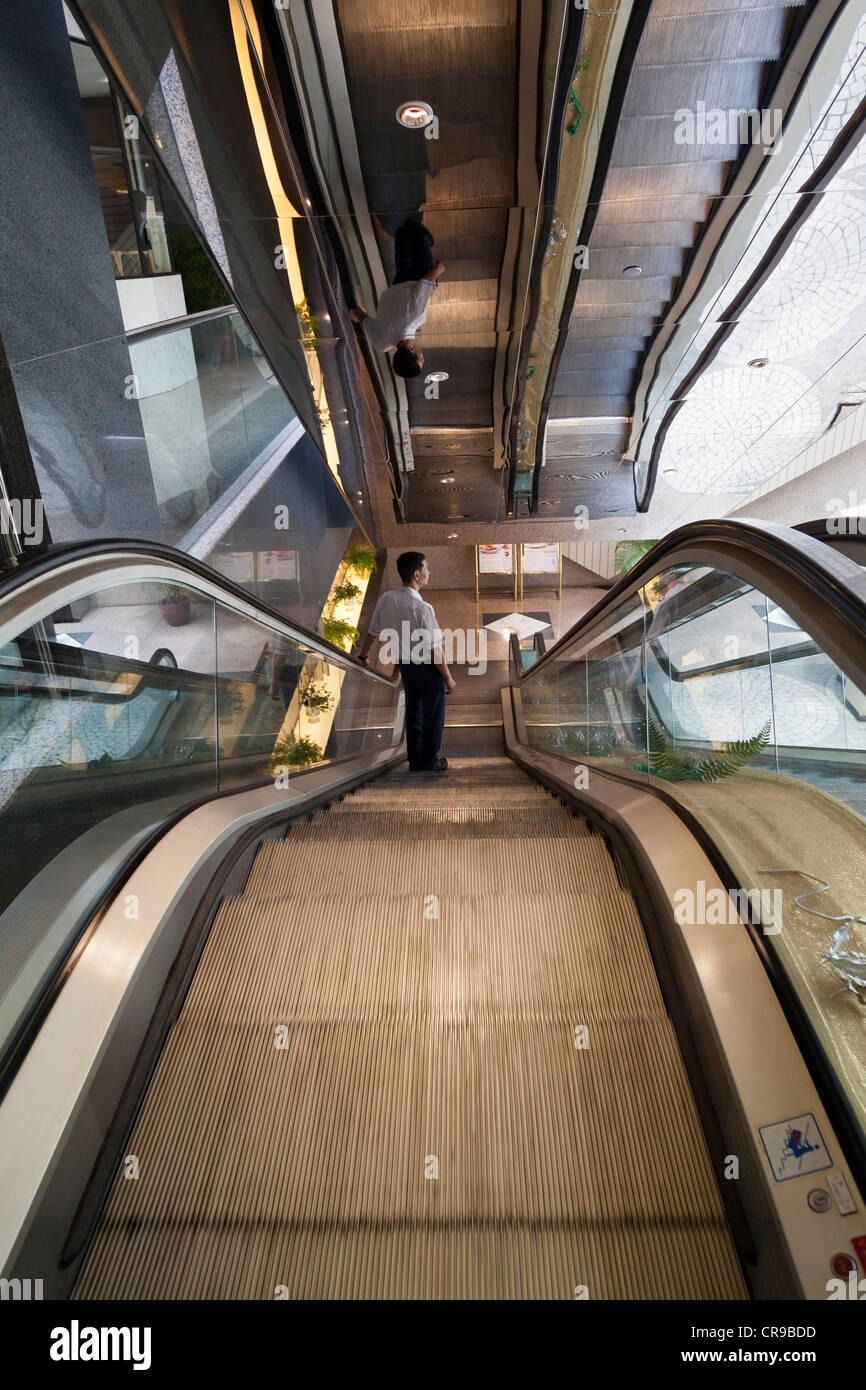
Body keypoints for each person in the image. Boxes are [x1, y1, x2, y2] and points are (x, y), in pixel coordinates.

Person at [359, 551, 456, 772]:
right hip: (428, 670)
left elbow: (373, 631)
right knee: (433, 715)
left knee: (414, 711)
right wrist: (448, 677)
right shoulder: (423, 609)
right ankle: (429, 761)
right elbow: (434, 648)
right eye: (426, 568)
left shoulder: (386, 599)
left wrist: (364, 655)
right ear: (416, 574)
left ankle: (415, 760)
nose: (428, 572)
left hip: (405, 666)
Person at [348, 218, 445, 378]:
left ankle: (413, 229)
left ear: (412, 351)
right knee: (403, 260)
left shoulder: (417, 317)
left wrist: (438, 270)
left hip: (416, 278)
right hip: (397, 286)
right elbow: (362, 317)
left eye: (421, 359)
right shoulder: (380, 343)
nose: (424, 358)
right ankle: (400, 233)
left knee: (425, 258)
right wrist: (353, 312)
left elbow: (425, 283)